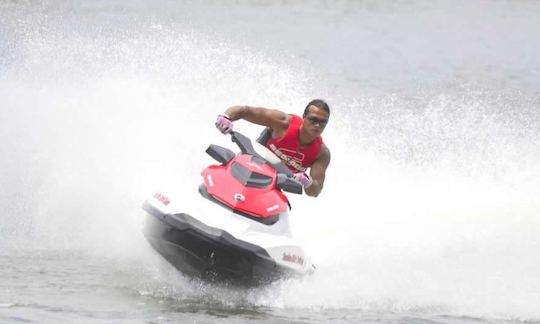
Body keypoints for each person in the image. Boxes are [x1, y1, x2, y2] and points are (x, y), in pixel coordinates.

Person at [215, 99, 331, 197]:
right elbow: (245, 111)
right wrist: (226, 117)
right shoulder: (282, 122)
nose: (317, 125)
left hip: (273, 186)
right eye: (313, 119)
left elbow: (315, 191)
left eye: (323, 122)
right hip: (250, 166)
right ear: (304, 117)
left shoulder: (321, 154)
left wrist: (308, 183)